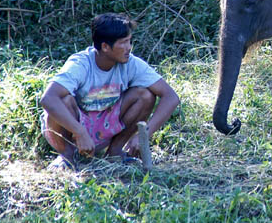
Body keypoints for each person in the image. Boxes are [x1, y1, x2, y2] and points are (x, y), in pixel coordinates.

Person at [40, 13, 180, 169]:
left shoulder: (131, 63)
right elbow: (48, 99)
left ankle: (115, 152)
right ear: (105, 46)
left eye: (129, 41)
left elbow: (171, 97)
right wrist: (80, 132)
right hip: (75, 127)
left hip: (107, 125)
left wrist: (144, 136)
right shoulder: (80, 64)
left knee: (145, 95)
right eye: (123, 42)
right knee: (63, 100)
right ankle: (67, 156)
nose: (129, 48)